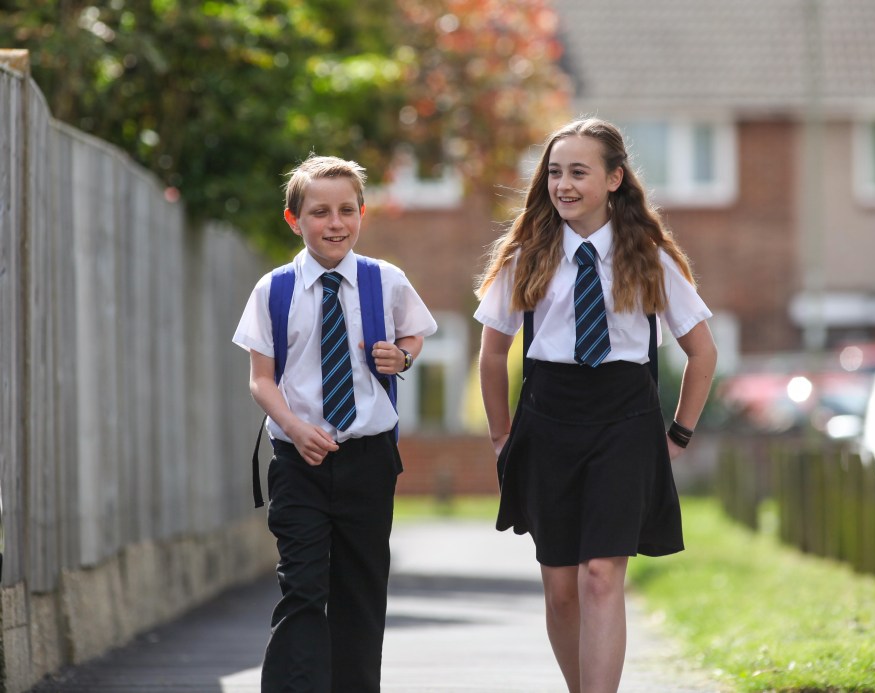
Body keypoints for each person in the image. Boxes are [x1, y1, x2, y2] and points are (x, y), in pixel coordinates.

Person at [474, 118, 717, 693]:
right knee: (560, 588)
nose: (563, 184)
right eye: (555, 172)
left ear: (614, 179)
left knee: (602, 575)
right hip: (547, 421)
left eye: (578, 172)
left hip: (625, 420)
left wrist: (679, 434)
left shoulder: (649, 257)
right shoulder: (527, 254)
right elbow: (492, 356)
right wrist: (502, 439)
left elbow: (702, 354)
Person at [232, 155, 437, 693]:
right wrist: (296, 429)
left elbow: (415, 335)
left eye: (347, 209)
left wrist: (404, 356)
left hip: (368, 462)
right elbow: (261, 379)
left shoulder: (384, 281)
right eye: (320, 211)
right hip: (299, 463)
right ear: (293, 219)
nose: (335, 222)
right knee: (301, 589)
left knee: (360, 595)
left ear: (362, 214)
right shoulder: (273, 290)